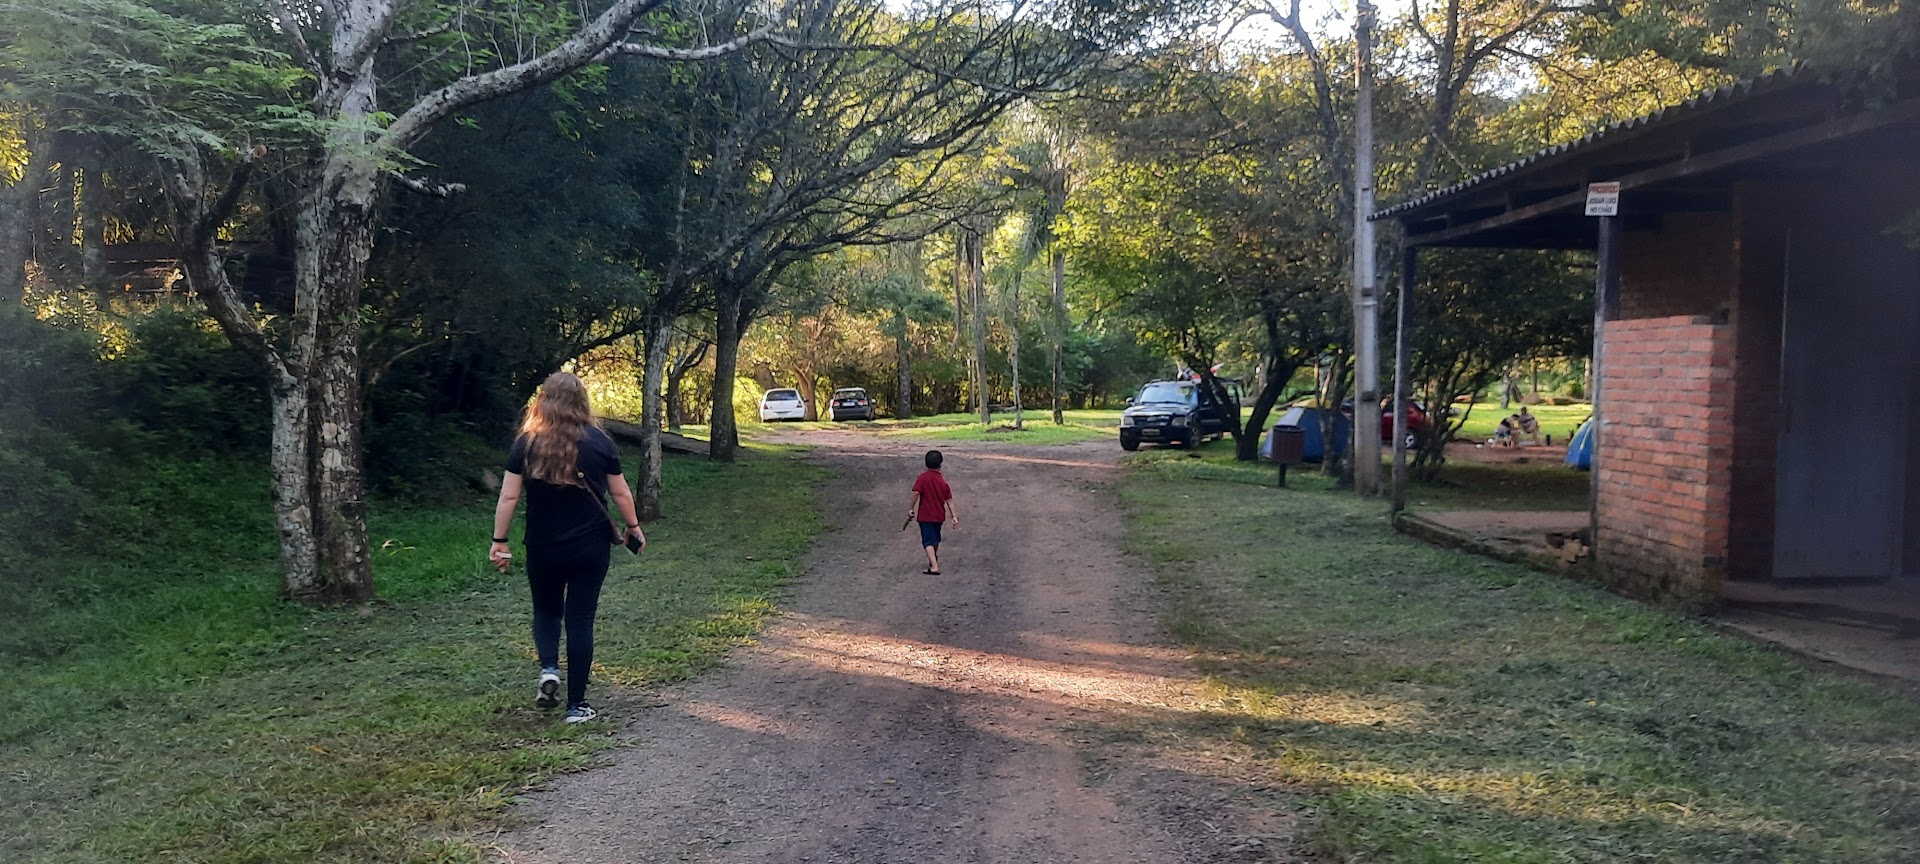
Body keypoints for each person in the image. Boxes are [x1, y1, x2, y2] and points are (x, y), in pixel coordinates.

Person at [489, 372, 646, 724]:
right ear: (581, 401)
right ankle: (577, 706)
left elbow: (509, 495)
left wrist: (500, 541)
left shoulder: (526, 443)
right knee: (580, 619)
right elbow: (620, 492)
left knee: (546, 611)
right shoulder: (600, 443)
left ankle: (548, 668)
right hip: (590, 547)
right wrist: (633, 527)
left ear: (543, 400)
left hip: (542, 546)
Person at [906, 449, 959, 575]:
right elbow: (949, 501)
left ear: (926, 463)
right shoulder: (943, 482)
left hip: (925, 516)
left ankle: (934, 566)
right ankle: (933, 558)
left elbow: (916, 493)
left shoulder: (923, 478)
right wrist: (954, 516)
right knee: (935, 539)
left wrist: (911, 508)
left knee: (928, 541)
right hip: (939, 516)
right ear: (940, 464)